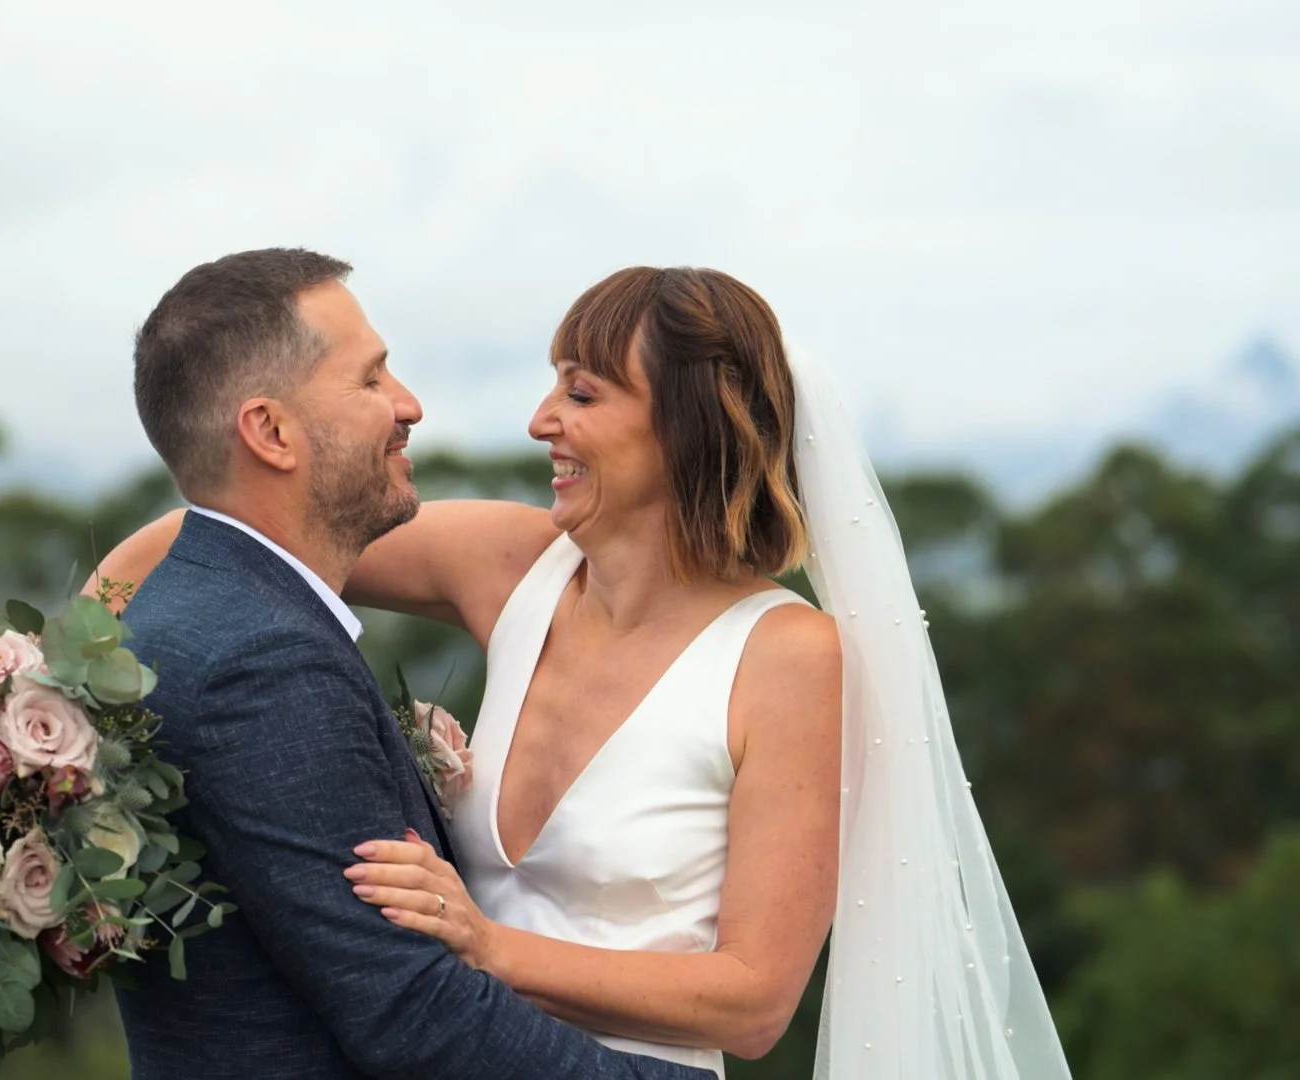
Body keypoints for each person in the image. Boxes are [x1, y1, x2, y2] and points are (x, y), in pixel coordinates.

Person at [102, 263, 1072, 1079]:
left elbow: (754, 1002)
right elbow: (229, 540)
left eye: (582, 392)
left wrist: (490, 950)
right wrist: (40, 699)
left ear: (686, 428)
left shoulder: (786, 656)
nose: (539, 422)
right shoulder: (507, 562)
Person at [103, 248, 713, 1080]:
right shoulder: (264, 662)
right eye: (371, 380)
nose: (408, 405)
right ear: (271, 432)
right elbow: (417, 1016)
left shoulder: (192, 609)